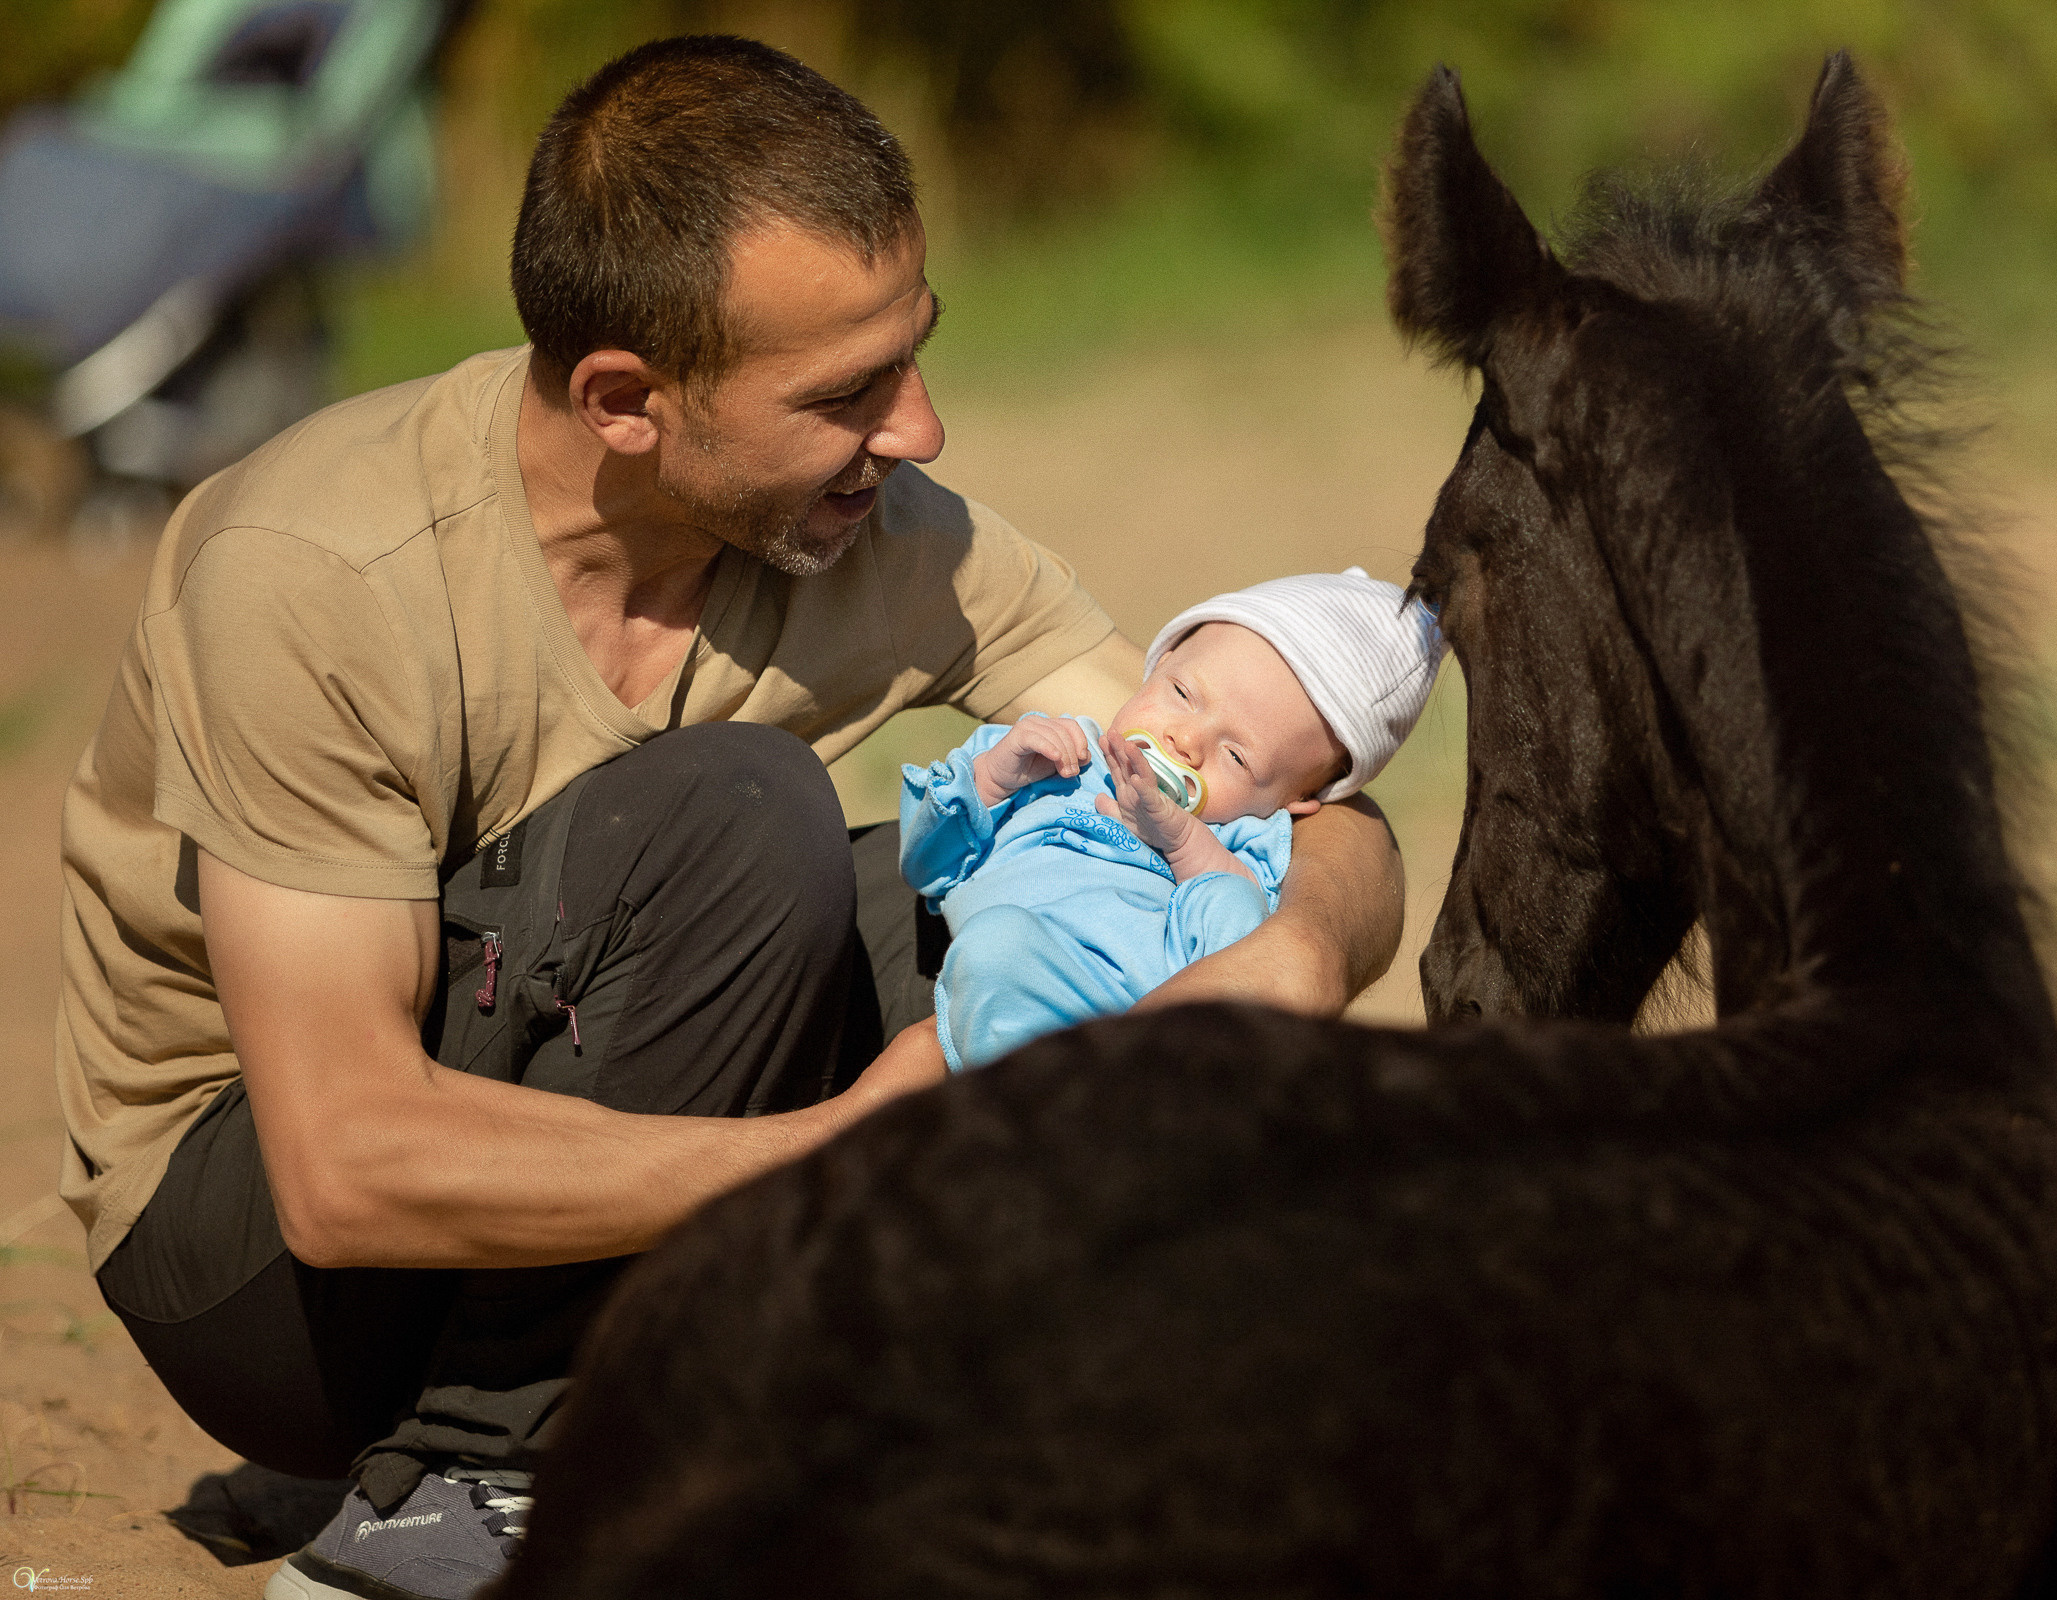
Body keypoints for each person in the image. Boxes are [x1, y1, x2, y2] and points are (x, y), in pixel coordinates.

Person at [49, 35, 1404, 1600]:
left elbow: (1245, 771)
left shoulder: (877, 532)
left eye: (915, 353)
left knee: (1029, 884)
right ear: (626, 400)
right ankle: (467, 1499)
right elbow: (344, 1170)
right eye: (846, 393)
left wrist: (1295, 946)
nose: (920, 431)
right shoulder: (316, 573)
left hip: (555, 1158)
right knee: (738, 824)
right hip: (271, 1276)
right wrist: (841, 1147)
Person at [894, 570, 1443, 1073]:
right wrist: (991, 779)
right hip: (990, 988)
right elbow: (926, 867)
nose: (1187, 740)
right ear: (1158, 664)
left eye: (1237, 757)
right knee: (991, 951)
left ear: (1297, 800)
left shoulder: (1239, 843)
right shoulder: (1048, 757)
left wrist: (1184, 845)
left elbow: (1245, 963)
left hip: (1133, 1035)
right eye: (1182, 694)